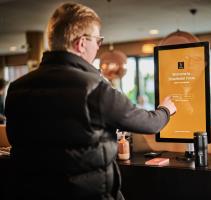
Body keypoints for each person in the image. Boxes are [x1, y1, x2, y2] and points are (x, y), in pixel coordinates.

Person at [4, 3, 176, 200]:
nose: (98, 46)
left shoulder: (17, 87)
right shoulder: (95, 89)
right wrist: (166, 109)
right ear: (82, 43)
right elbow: (148, 123)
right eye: (97, 40)